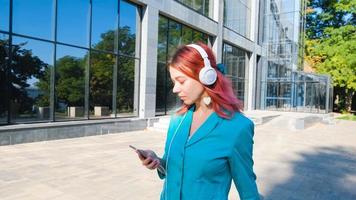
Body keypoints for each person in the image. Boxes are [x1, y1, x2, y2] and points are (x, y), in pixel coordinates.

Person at [135, 43, 260, 200]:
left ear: (206, 76)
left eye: (181, 81)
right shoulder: (177, 120)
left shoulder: (237, 127)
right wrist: (157, 161)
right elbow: (173, 167)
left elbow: (248, 190)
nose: (175, 89)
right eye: (174, 82)